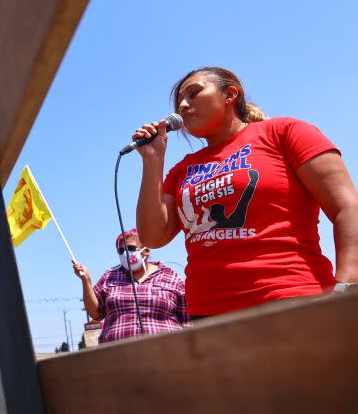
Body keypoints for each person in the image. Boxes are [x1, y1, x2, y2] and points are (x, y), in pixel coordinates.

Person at [134, 66, 358, 317]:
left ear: (230, 95)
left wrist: (348, 286)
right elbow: (153, 237)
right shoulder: (182, 169)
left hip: (292, 301)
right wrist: (153, 161)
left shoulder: (284, 132)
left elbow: (347, 207)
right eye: (179, 102)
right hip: (209, 317)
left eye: (193, 94)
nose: (183, 106)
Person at [72, 229, 189, 342]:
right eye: (121, 250)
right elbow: (96, 313)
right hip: (118, 355)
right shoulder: (109, 276)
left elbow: (188, 320)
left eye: (131, 248)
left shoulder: (169, 276)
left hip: (167, 353)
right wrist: (86, 280)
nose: (125, 254)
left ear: (146, 250)